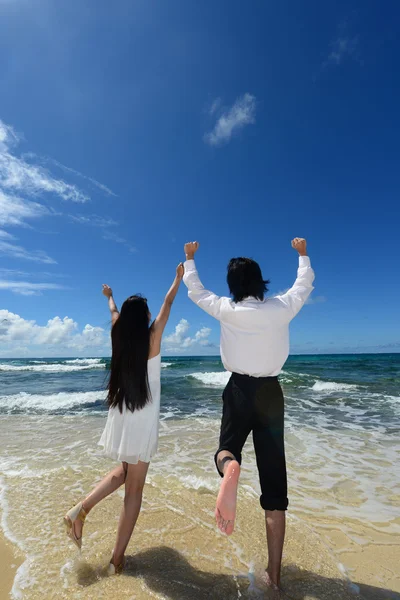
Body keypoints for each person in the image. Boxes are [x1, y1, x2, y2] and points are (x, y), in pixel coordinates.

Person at [182, 238, 315, 590]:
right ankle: (274, 575)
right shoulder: (281, 307)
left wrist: (190, 260)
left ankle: (231, 468)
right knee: (275, 488)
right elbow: (304, 285)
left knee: (225, 450)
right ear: (260, 282)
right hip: (271, 393)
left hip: (239, 389)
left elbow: (196, 292)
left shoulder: (227, 309)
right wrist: (302, 254)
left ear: (233, 286)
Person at [63, 263, 184, 574]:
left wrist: (110, 295)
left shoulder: (117, 333)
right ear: (144, 318)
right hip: (142, 417)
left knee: (123, 472)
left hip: (122, 411)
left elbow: (115, 311)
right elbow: (167, 304)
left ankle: (80, 511)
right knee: (135, 489)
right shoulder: (152, 338)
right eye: (146, 314)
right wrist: (178, 277)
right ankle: (117, 560)